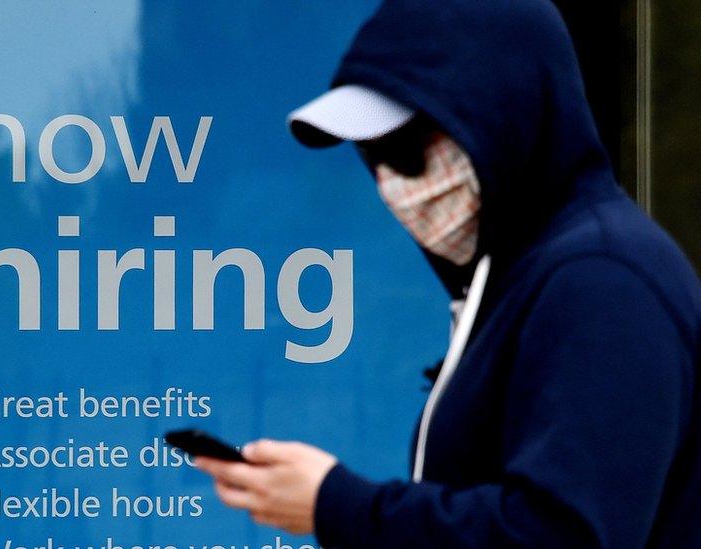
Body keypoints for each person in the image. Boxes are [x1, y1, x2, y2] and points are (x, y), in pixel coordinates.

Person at [193, 1, 701, 547]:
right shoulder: (531, 276)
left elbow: (559, 533)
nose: (392, 182)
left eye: (406, 148)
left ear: (506, 112)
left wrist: (336, 504)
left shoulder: (602, 281)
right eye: (371, 155)